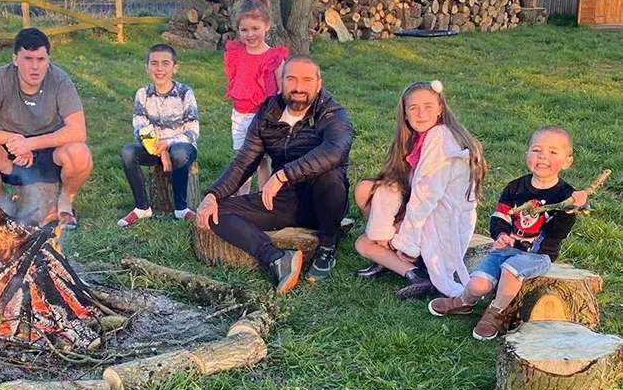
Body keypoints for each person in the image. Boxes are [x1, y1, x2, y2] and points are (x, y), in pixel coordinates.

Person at [196, 54, 353, 293]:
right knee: (219, 212)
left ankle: (327, 247)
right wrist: (212, 195)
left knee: (330, 177)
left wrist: (282, 176)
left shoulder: (333, 115)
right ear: (281, 81)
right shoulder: (267, 114)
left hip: (322, 198)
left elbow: (333, 152)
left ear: (319, 84)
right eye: (291, 79)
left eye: (307, 80)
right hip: (282, 200)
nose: (299, 87)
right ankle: (277, 258)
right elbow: (244, 161)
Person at [428, 126, 588, 340]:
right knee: (477, 285)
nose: (542, 157)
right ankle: (463, 302)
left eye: (553, 152)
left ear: (567, 161)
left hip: (536, 255)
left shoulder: (565, 195)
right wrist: (501, 235)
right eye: (537, 150)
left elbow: (558, 233)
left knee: (511, 269)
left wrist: (570, 211)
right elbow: (500, 216)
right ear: (527, 154)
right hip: (505, 250)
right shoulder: (515, 187)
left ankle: (496, 313)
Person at [353, 80, 487, 300]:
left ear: (440, 108)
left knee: (364, 243)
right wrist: (386, 229)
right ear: (404, 113)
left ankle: (413, 270)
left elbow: (425, 197)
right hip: (427, 218)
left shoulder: (441, 139)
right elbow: (399, 185)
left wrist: (406, 242)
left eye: (428, 106)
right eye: (413, 108)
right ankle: (398, 264)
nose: (421, 114)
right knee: (366, 189)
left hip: (439, 228)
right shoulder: (417, 139)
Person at [0, 27, 92, 229]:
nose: (35, 67)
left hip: (51, 154)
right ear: (15, 59)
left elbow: (78, 131)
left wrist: (30, 143)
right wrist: (15, 141)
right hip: (12, 156)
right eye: (28, 59)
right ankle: (5, 207)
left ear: (48, 60)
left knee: (80, 153)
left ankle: (65, 204)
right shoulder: (0, 78)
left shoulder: (60, 80)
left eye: (40, 60)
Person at [117, 44, 199, 227]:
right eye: (154, 63)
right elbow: (140, 129)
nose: (159, 69)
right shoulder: (142, 94)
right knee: (128, 152)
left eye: (165, 63)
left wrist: (168, 144)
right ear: (147, 68)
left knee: (178, 153)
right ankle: (142, 208)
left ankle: (181, 208)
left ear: (174, 67)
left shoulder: (185, 92)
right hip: (153, 148)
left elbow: (193, 131)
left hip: (183, 147)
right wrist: (161, 150)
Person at [224, 0, 289, 195]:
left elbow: (281, 89)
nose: (250, 34)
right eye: (244, 30)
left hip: (263, 117)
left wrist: (276, 116)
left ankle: (264, 197)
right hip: (240, 115)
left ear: (267, 26)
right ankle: (242, 198)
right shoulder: (237, 52)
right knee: (243, 159)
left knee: (261, 160)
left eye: (255, 29)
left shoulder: (274, 57)